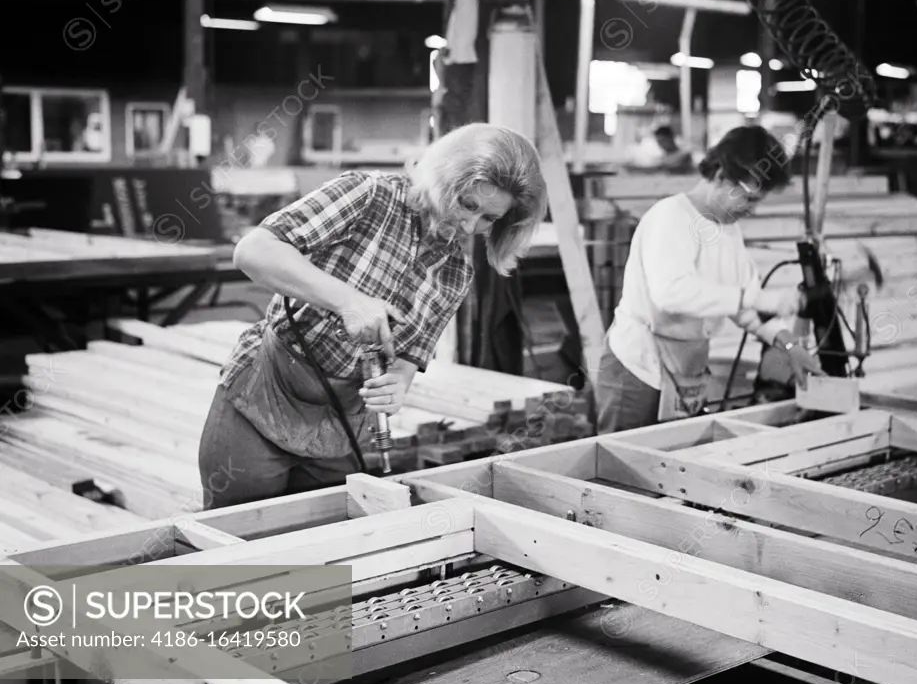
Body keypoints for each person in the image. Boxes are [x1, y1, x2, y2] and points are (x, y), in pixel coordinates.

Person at [198, 123, 547, 508]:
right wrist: (348, 301)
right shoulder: (369, 196)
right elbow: (254, 251)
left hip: (341, 424)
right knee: (237, 537)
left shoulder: (455, 273)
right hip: (266, 392)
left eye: (489, 219)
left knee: (319, 546)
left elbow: (407, 362)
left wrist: (396, 386)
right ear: (445, 175)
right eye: (467, 204)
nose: (470, 225)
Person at [594, 124, 823, 434]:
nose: (750, 210)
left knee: (669, 467)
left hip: (686, 369)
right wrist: (752, 298)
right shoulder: (670, 218)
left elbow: (748, 304)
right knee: (618, 467)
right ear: (719, 177)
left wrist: (789, 343)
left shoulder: (728, 229)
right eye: (748, 199)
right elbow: (672, 293)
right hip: (638, 368)